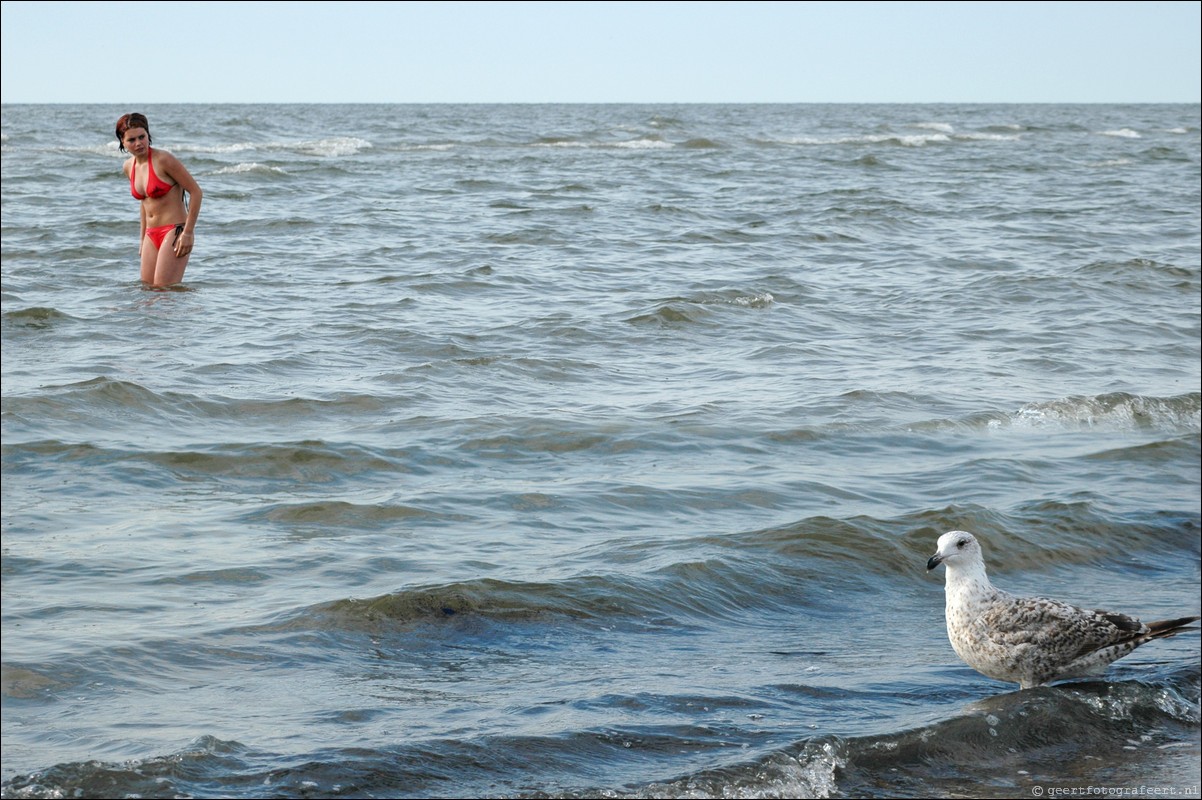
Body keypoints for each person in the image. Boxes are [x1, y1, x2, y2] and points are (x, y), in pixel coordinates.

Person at [116, 113, 203, 287]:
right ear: (123, 143)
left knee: (164, 292)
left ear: (148, 135)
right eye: (132, 140)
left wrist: (188, 233)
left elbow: (196, 192)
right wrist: (142, 240)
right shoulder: (128, 167)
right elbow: (145, 203)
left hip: (174, 231)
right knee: (147, 293)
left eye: (142, 137)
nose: (139, 143)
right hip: (150, 233)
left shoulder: (163, 159)